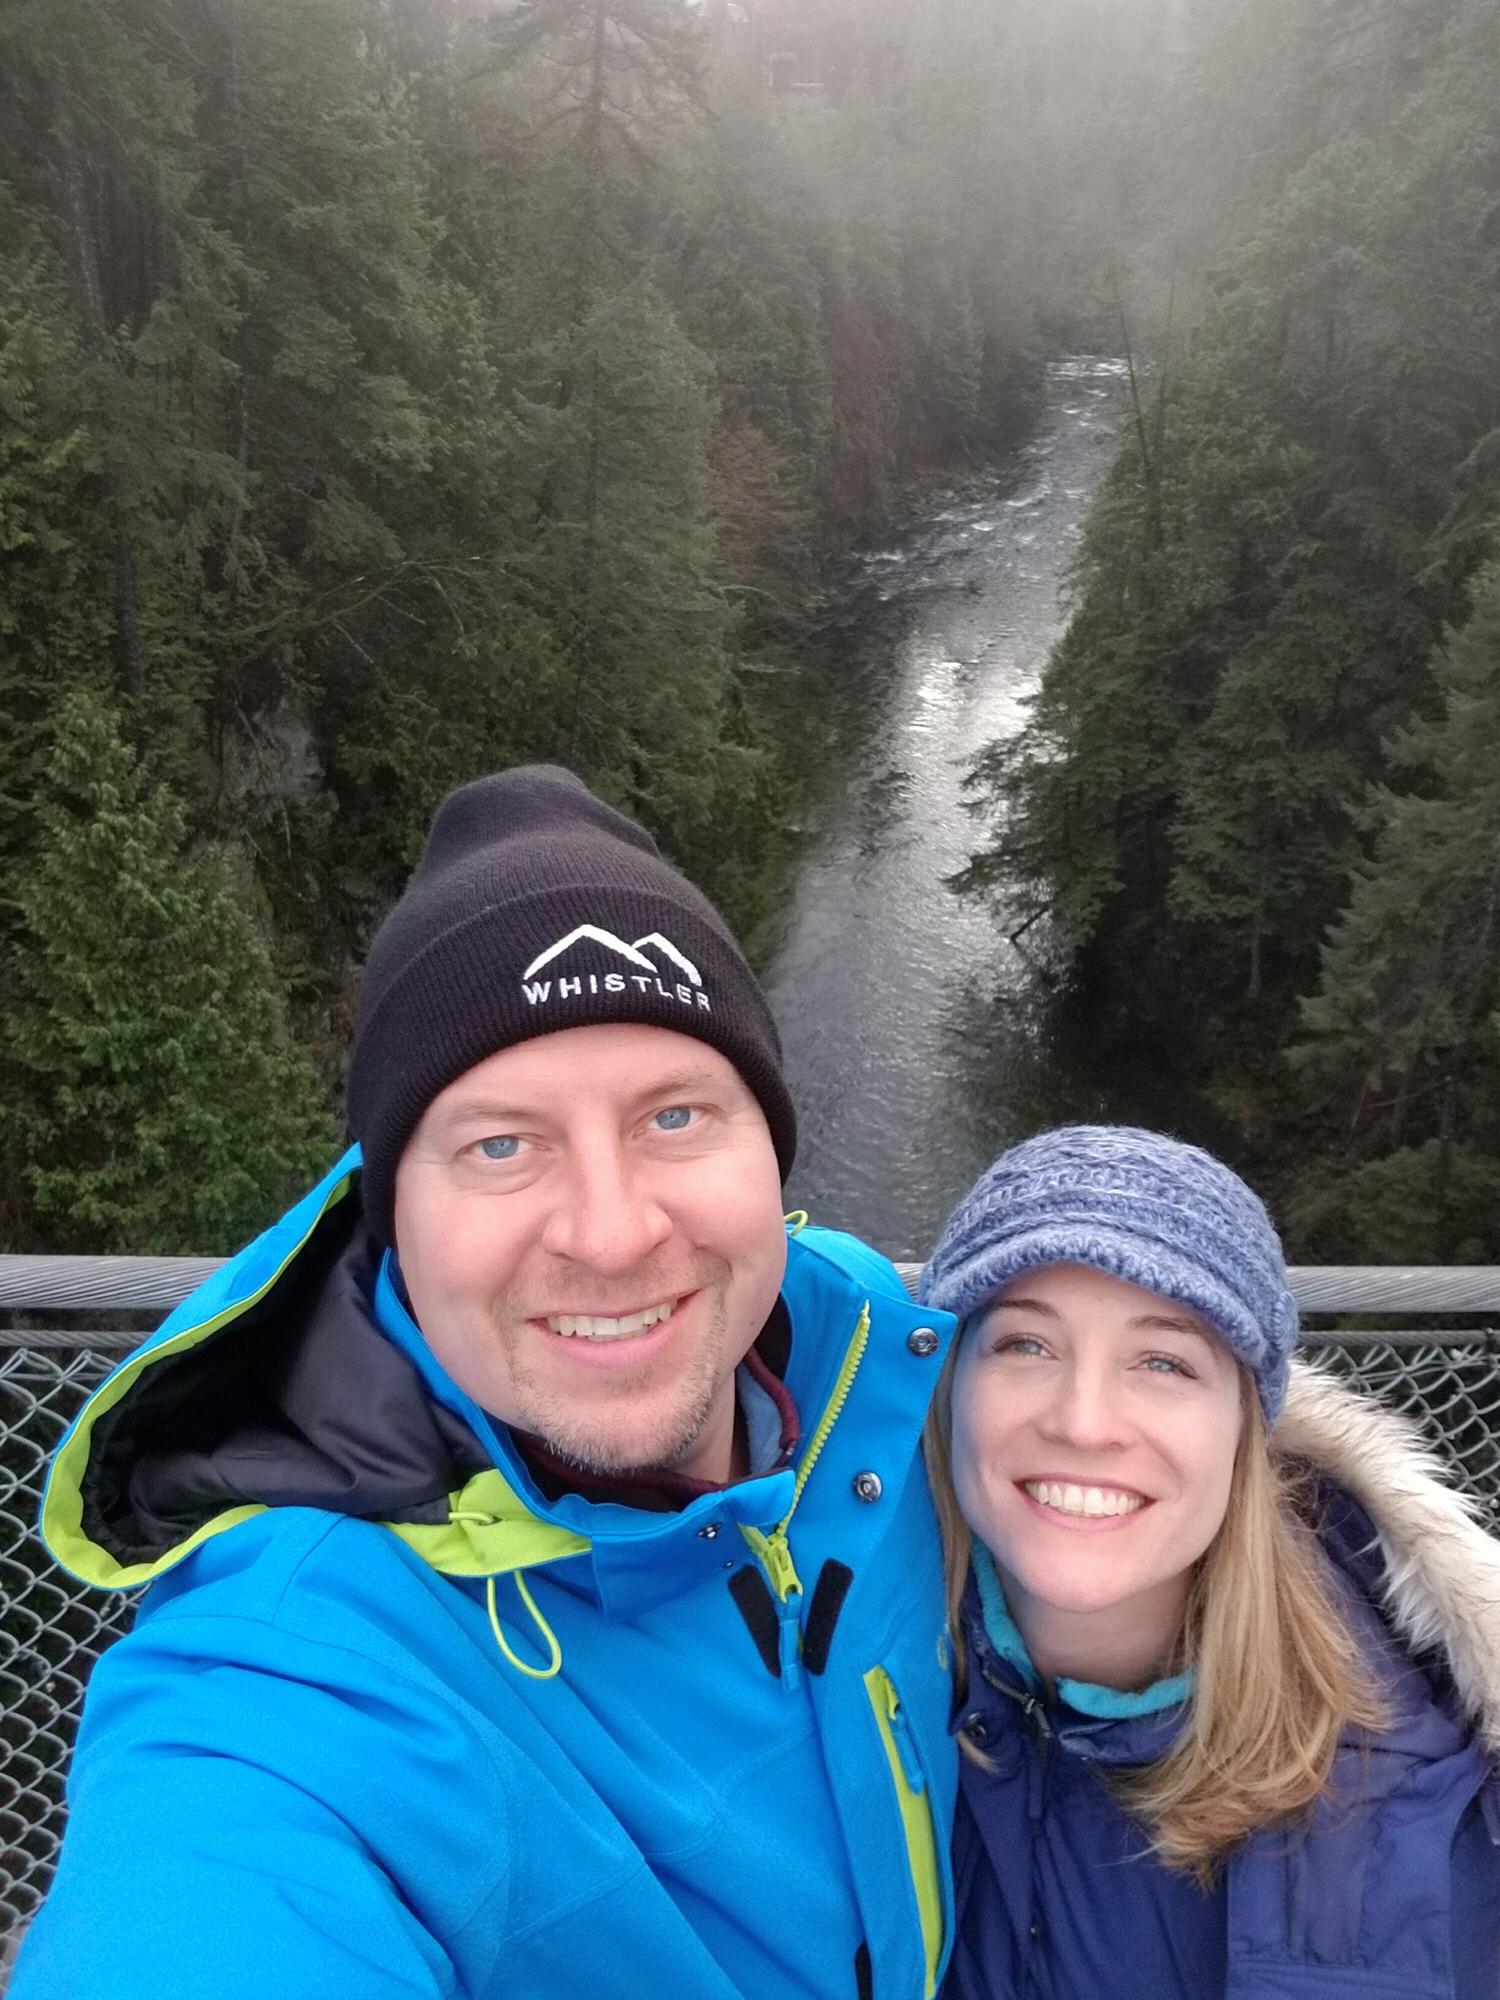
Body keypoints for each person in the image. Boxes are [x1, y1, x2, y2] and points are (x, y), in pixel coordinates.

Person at [13, 767, 962, 2000]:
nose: (612, 1234)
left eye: (676, 1116)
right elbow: (212, 1890)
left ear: (768, 1148)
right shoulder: (301, 1666)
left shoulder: (873, 1351)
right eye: (501, 1144)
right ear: (392, 1210)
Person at [919, 1125, 1500, 2000]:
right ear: (948, 1387)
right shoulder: (827, 1667)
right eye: (1024, 1345)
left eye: (1164, 1360)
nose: (1085, 1422)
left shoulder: (1435, 1850)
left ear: (1246, 1431)